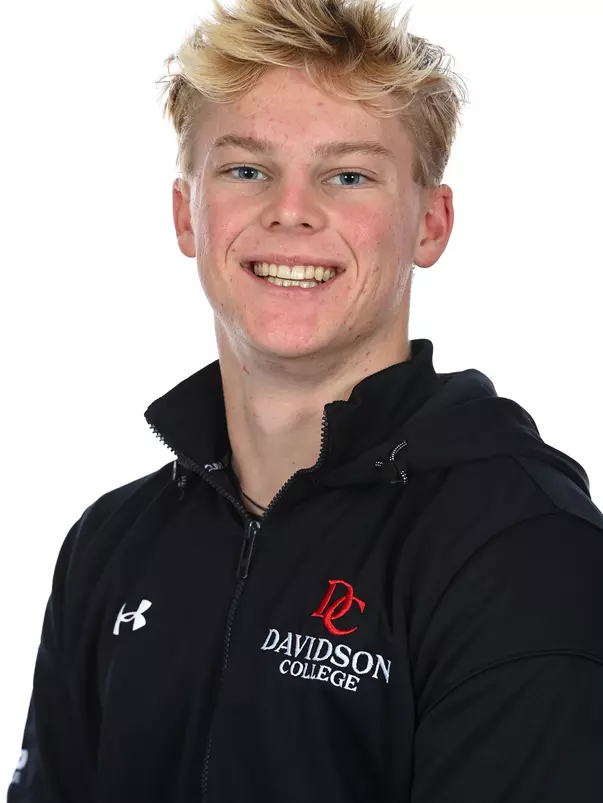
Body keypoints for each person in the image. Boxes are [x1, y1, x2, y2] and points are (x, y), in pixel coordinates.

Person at [8, 0, 603, 800]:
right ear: (186, 214)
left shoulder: (521, 551)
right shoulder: (112, 544)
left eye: (348, 175)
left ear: (429, 224)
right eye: (246, 171)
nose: (290, 211)